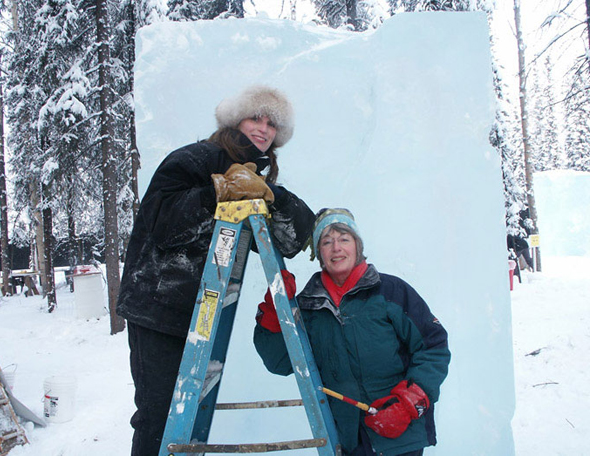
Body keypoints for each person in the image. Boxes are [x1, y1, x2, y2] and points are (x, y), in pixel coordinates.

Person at [116, 85, 315, 456]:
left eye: (272, 123)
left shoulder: (255, 180)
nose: (264, 128)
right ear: (235, 119)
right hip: (158, 308)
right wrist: (216, 193)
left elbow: (290, 240)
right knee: (159, 417)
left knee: (189, 419)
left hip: (205, 315)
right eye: (256, 117)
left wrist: (278, 197)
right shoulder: (194, 159)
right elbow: (161, 223)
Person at [254, 208, 450, 456]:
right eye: (326, 241)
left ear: (357, 246)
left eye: (344, 239)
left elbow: (434, 348)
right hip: (347, 442)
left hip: (400, 436)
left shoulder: (391, 292)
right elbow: (279, 362)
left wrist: (408, 405)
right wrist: (274, 311)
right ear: (319, 254)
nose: (336, 248)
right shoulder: (308, 306)